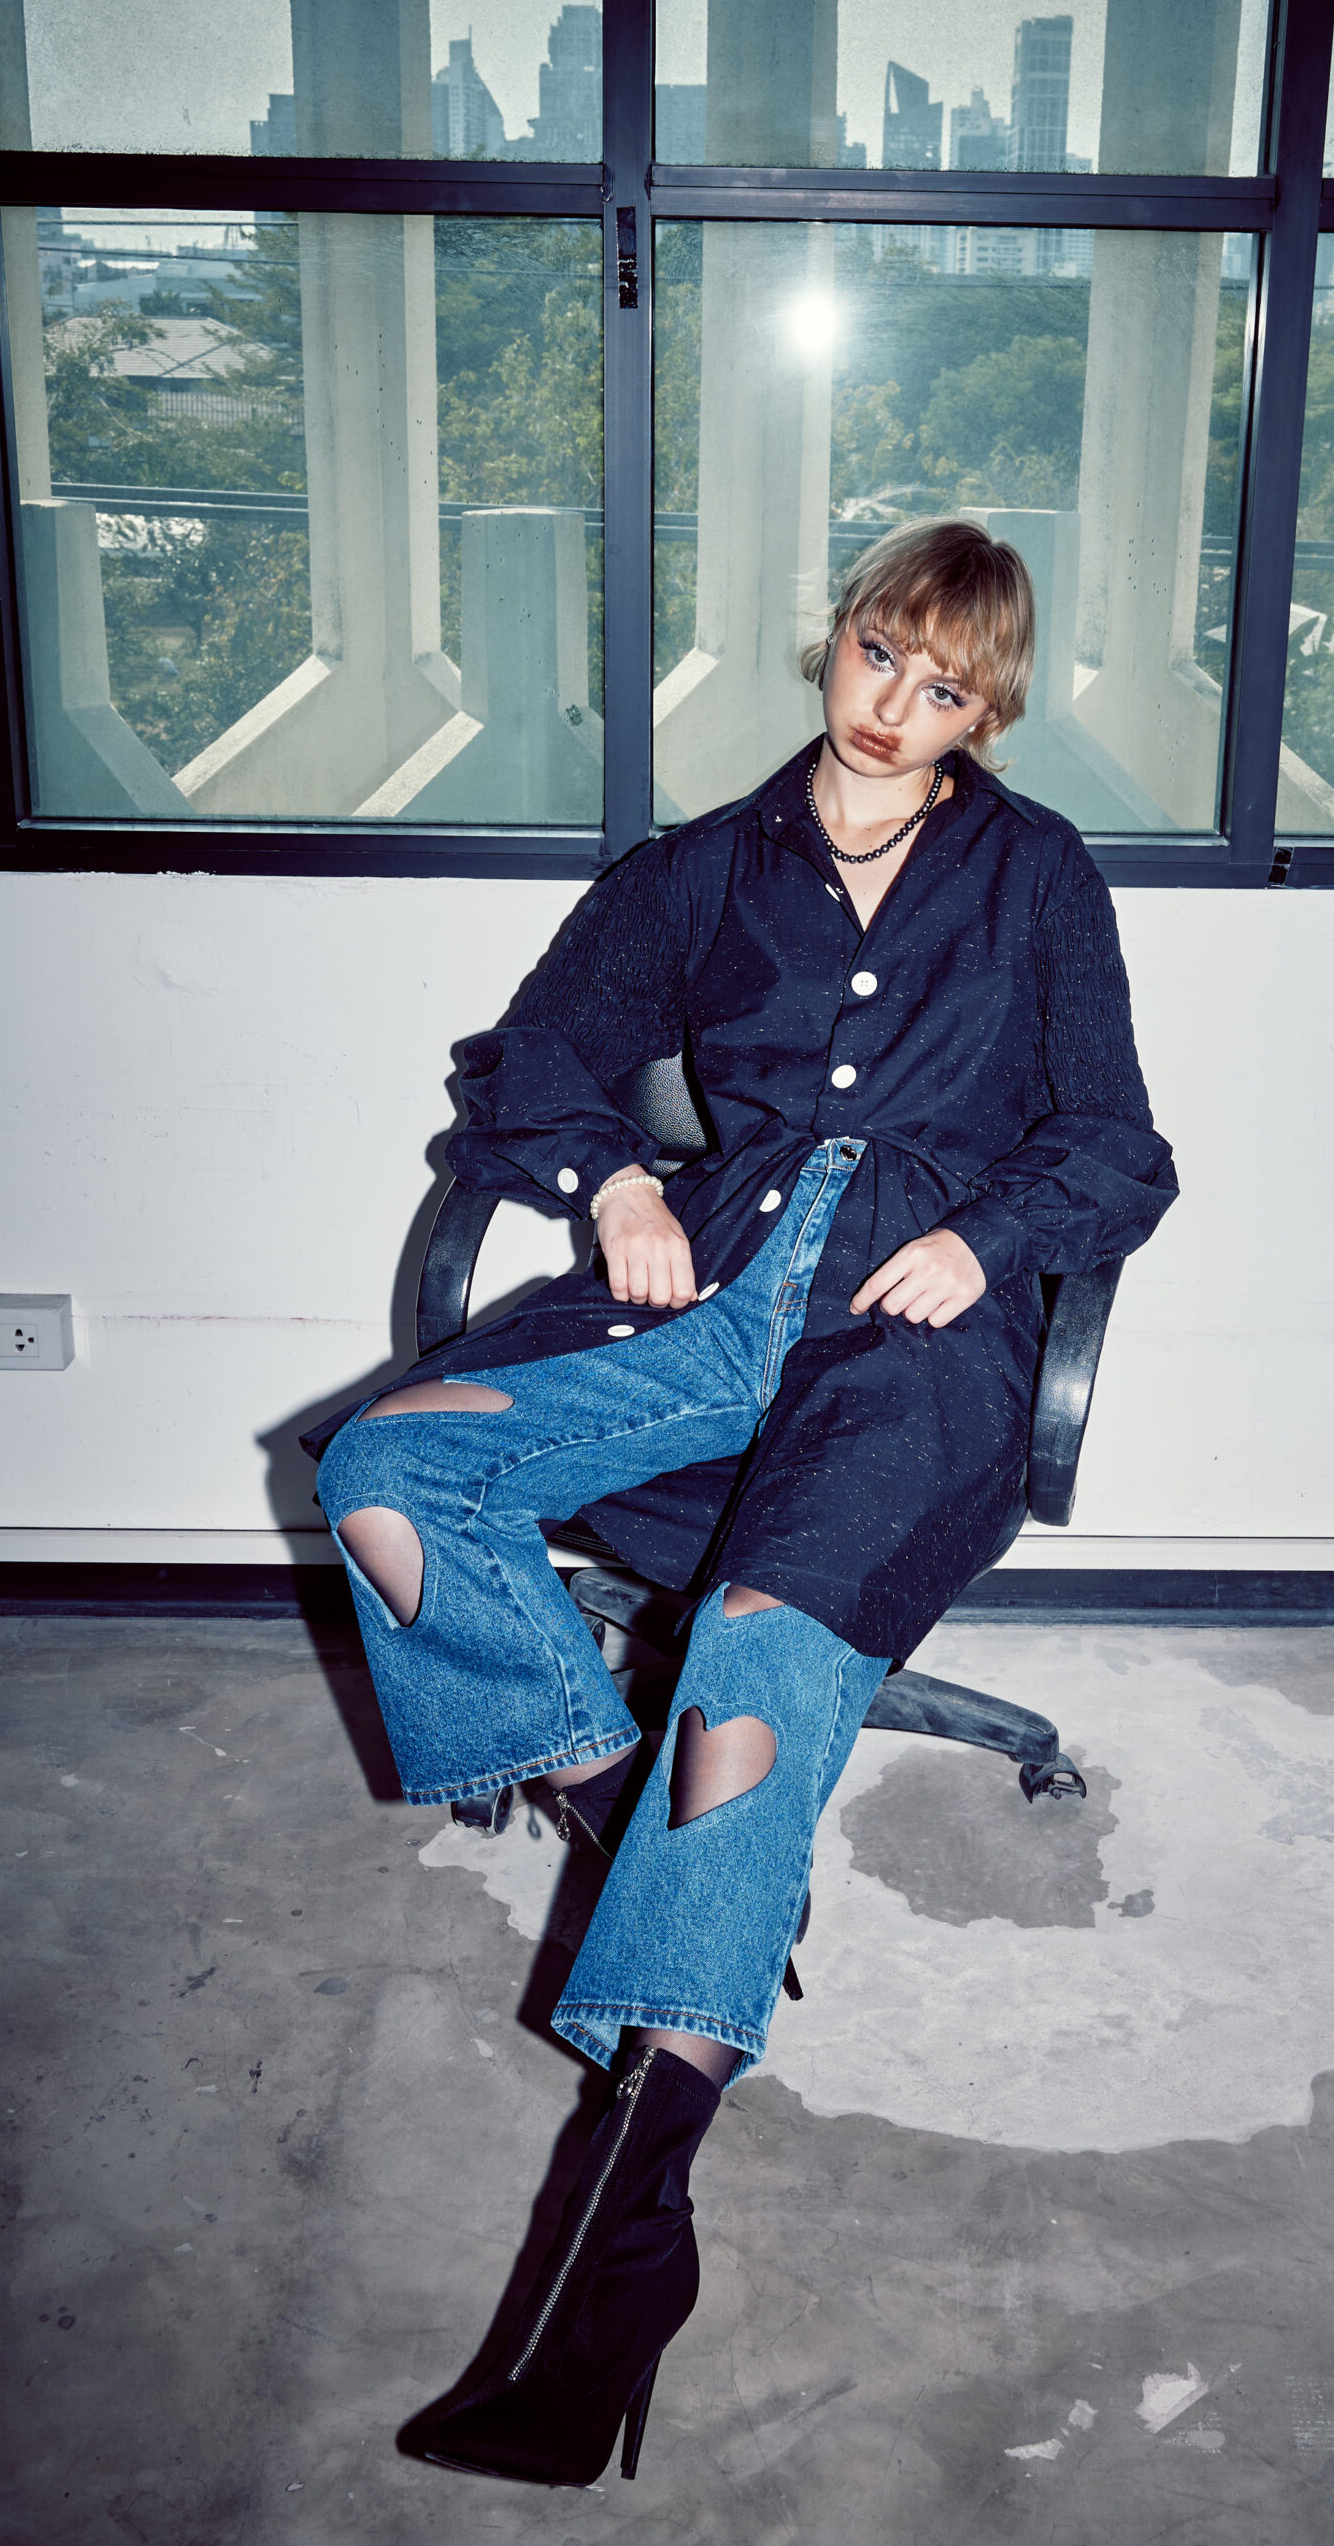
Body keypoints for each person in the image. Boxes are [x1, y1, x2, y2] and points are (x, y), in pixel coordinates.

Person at [305, 517, 1177, 2488]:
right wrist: (615, 1181)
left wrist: (987, 1236)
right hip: (703, 1297)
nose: (893, 708)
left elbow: (1116, 1143)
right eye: (878, 657)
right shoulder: (698, 868)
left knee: (758, 1661)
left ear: (982, 713)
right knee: (387, 1470)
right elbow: (534, 1058)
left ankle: (617, 2252)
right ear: (834, 639)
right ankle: (648, 1831)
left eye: (942, 690)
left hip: (913, 1343)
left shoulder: (1036, 874)